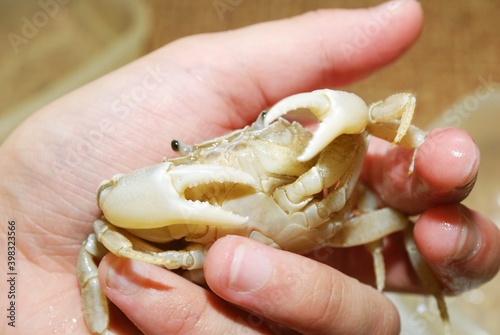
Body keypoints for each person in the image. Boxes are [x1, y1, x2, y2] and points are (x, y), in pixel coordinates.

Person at [1, 1, 499, 334]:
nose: (235, 154)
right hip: (187, 263)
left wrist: (409, 143)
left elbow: (362, 122)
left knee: (409, 221)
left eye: (259, 129)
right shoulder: (172, 213)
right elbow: (99, 232)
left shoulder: (314, 162)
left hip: (329, 217)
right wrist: (16, 264)